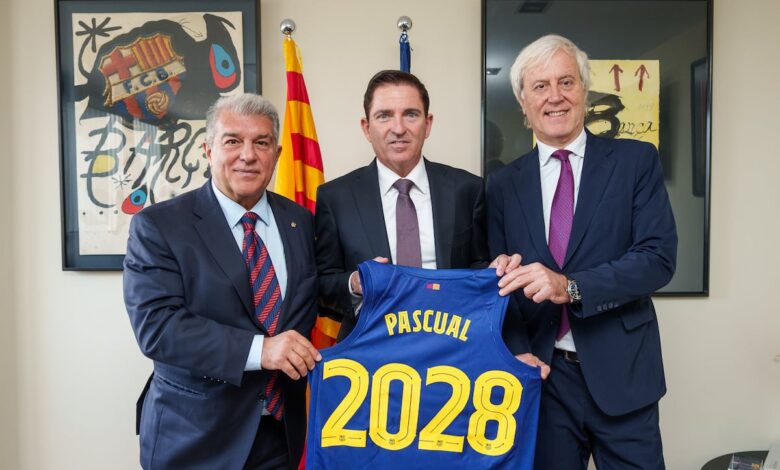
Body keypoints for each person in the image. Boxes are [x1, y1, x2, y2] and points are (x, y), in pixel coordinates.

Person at [487, 35, 677, 469]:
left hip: (624, 376)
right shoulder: (501, 185)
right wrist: (516, 351)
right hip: (543, 379)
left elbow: (658, 258)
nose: (555, 96)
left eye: (566, 82)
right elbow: (497, 282)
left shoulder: (635, 161)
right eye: (540, 86)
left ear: (584, 91)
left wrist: (570, 286)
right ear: (522, 102)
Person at [123, 93, 321, 470]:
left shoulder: (299, 221)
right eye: (233, 141)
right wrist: (261, 350)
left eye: (261, 142)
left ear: (277, 154)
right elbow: (158, 328)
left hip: (282, 436)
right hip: (194, 438)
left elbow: (316, 297)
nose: (248, 155)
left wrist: (360, 284)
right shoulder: (159, 226)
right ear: (208, 149)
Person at [314, 70, 533, 359]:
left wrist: (494, 270)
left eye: (411, 114)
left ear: (427, 124)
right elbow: (321, 285)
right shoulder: (336, 197)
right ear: (366, 128)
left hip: (456, 351)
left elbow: (480, 266)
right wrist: (355, 283)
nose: (398, 128)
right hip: (369, 355)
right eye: (384, 116)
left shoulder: (467, 189)